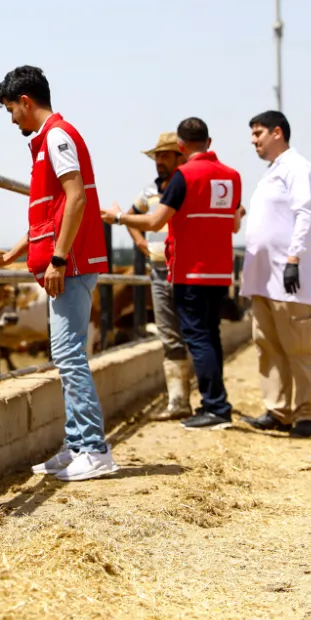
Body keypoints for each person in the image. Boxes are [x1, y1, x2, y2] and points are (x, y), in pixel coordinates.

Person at [0, 65, 118, 481]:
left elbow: (76, 199)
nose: (12, 120)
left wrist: (57, 259)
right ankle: (76, 445)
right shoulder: (48, 141)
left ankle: (94, 449)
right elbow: (49, 213)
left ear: (26, 102)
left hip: (68, 266)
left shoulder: (56, 137)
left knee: (70, 355)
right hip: (64, 263)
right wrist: (10, 256)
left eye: (11, 110)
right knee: (65, 355)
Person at [100, 117, 242, 430]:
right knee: (210, 335)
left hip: (190, 271)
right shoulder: (232, 176)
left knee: (197, 338)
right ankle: (217, 404)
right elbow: (234, 224)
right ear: (210, 141)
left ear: (180, 147)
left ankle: (215, 408)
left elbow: (153, 222)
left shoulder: (183, 176)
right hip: (220, 272)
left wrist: (119, 217)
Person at [239, 110, 311, 438]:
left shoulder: (300, 169)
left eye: (258, 133)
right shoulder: (271, 173)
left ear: (277, 132)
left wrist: (294, 259)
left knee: (298, 347)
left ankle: (305, 415)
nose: (253, 140)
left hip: (288, 276)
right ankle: (278, 410)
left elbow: (306, 215)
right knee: (268, 345)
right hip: (262, 277)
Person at [124, 132, 193, 420]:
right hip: (159, 268)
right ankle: (178, 401)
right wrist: (140, 242)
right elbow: (131, 215)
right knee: (167, 332)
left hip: (188, 267)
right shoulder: (148, 192)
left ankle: (200, 398)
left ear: (180, 156)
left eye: (164, 155)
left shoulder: (190, 185)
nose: (159, 162)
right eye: (157, 156)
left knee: (194, 332)